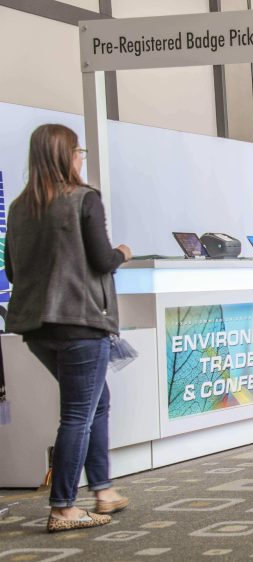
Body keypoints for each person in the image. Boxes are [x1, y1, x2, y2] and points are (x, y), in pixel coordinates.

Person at [5, 124, 132, 532]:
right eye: (79, 150)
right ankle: (62, 506)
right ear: (67, 155)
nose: (81, 157)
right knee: (78, 413)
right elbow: (101, 260)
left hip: (37, 327)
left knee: (97, 402)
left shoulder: (21, 207)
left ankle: (104, 490)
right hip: (80, 322)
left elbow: (11, 269)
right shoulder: (83, 199)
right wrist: (123, 253)